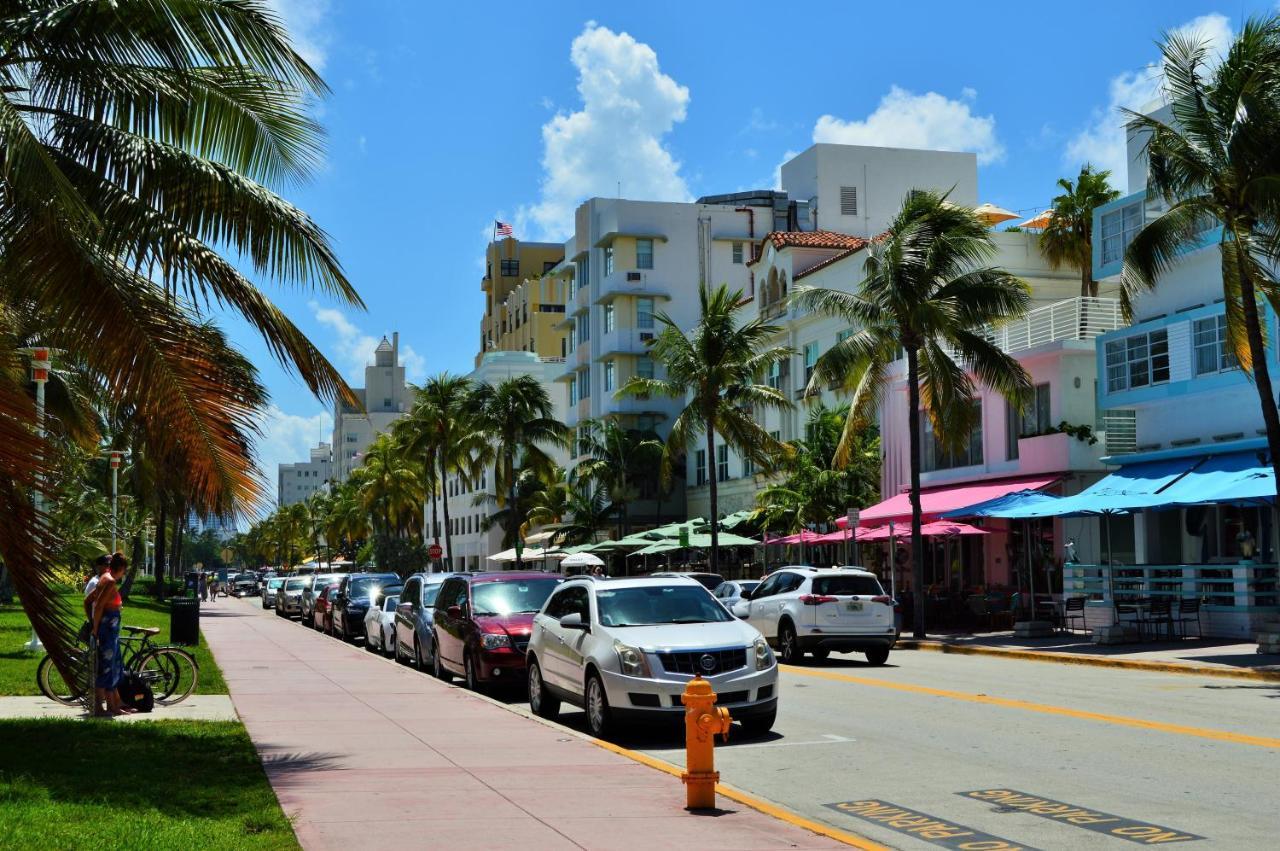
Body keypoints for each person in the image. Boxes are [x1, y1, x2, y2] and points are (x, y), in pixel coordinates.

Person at [90, 553, 131, 717]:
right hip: (107, 631)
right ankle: (99, 707)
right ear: (120, 569)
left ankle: (113, 705)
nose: (123, 575)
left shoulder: (104, 578)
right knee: (105, 669)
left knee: (113, 667)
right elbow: (98, 606)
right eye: (124, 571)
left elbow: (89, 601)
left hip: (110, 631)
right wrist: (95, 628)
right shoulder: (110, 581)